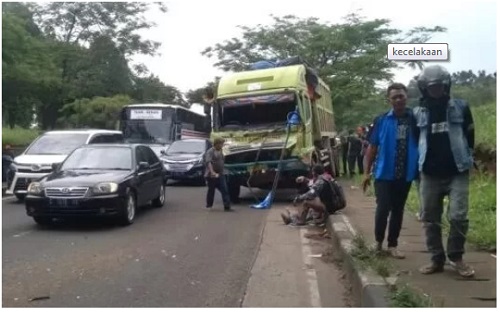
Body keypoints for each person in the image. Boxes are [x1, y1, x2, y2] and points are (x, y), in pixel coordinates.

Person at [414, 65, 475, 277]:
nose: (436, 90)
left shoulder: (460, 107)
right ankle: (436, 259)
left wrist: (470, 158)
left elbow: (469, 134)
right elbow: (416, 141)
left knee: (458, 215)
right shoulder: (418, 112)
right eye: (432, 87)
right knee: (430, 217)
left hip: (457, 171)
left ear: (446, 85)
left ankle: (456, 257)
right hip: (429, 174)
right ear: (424, 88)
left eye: (439, 86)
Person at [362, 82, 419, 259]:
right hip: (384, 173)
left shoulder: (414, 118)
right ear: (389, 100)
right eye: (394, 97)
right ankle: (378, 243)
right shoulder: (381, 120)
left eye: (401, 96)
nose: (398, 99)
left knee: (398, 210)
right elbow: (372, 148)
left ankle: (393, 245)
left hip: (405, 173)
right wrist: (366, 173)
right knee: (383, 208)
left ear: (406, 96)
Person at [204, 137, 233, 211]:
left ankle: (227, 206)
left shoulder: (222, 151)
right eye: (221, 144)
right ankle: (209, 205)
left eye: (222, 144)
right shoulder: (210, 151)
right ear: (216, 144)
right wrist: (212, 172)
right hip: (211, 174)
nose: (222, 145)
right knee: (211, 190)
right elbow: (208, 162)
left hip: (220, 173)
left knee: (224, 189)